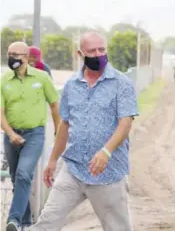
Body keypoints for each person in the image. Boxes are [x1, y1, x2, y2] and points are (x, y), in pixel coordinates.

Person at [30, 32, 139, 231]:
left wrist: (106, 152)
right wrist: (53, 159)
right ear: (80, 54)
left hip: (108, 173)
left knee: (118, 228)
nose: (98, 54)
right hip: (73, 169)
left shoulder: (121, 84)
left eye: (102, 50)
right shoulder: (72, 85)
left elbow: (126, 123)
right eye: (92, 51)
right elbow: (65, 124)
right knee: (47, 222)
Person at [1, 41, 60, 231]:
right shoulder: (4, 80)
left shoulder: (42, 78)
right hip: (11, 135)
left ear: (26, 57)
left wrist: (58, 130)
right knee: (16, 177)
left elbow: (54, 105)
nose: (11, 58)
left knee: (24, 173)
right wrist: (10, 134)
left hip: (34, 134)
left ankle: (14, 220)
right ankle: (26, 223)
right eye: (9, 53)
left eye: (16, 54)